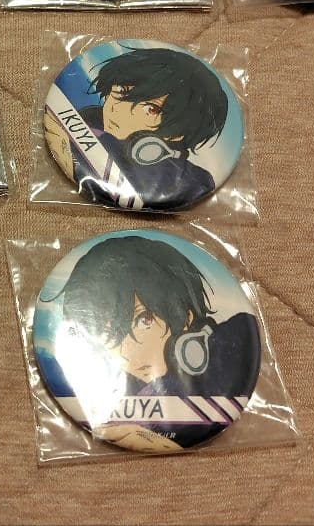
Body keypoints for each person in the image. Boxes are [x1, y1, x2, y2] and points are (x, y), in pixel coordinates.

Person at [43, 235, 259, 450]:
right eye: (105, 332)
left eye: (144, 320)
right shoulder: (101, 391)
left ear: (186, 315)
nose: (126, 352)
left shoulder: (233, 346)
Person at [45, 47, 228, 209]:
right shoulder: (76, 121)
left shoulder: (190, 182)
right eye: (122, 91)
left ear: (178, 133)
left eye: (151, 109)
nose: (118, 110)